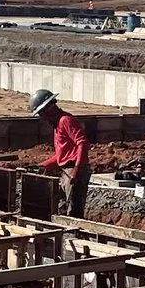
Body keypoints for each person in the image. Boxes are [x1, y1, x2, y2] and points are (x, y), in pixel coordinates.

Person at [29, 87, 92, 218]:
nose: (43, 117)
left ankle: (74, 236)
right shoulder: (57, 125)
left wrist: (77, 169)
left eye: (42, 113)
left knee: (73, 210)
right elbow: (61, 156)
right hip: (66, 171)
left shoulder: (65, 120)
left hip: (74, 171)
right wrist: (43, 165)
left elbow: (82, 143)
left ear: (50, 108)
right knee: (63, 207)